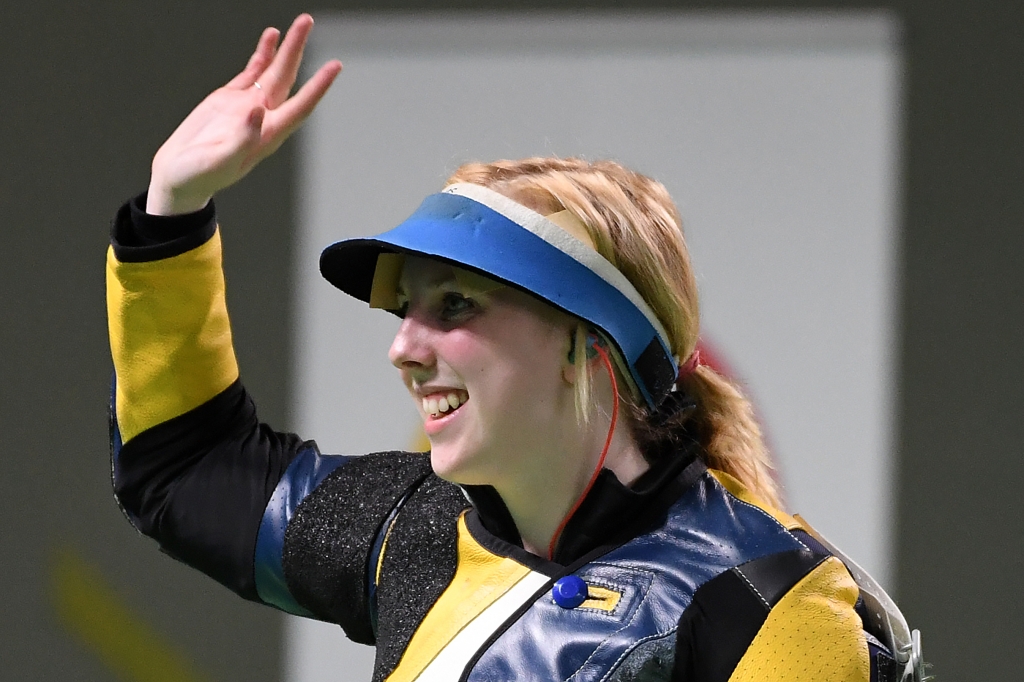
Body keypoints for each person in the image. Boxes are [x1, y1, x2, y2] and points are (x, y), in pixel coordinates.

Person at [106, 14, 924, 682]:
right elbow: (181, 470)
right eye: (405, 308)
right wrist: (173, 210)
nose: (402, 348)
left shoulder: (764, 600)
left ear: (585, 340)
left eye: (455, 305)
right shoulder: (413, 527)